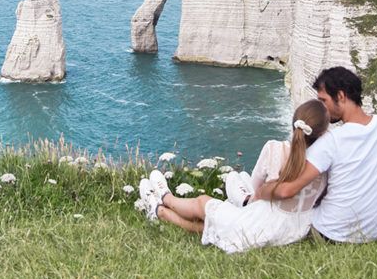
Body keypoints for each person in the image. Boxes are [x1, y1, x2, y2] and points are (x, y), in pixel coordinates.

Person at [135, 99, 330, 254]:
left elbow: (255, 187)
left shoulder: (275, 148)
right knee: (217, 225)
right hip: (295, 229)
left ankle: (165, 199)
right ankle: (161, 210)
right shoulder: (325, 164)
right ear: (322, 133)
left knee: (204, 203)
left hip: (260, 224)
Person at [255, 66, 377, 243]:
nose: (321, 108)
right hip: (372, 234)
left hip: (329, 233)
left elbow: (287, 191)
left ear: (340, 96)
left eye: (323, 101)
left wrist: (262, 191)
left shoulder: (331, 141)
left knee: (274, 206)